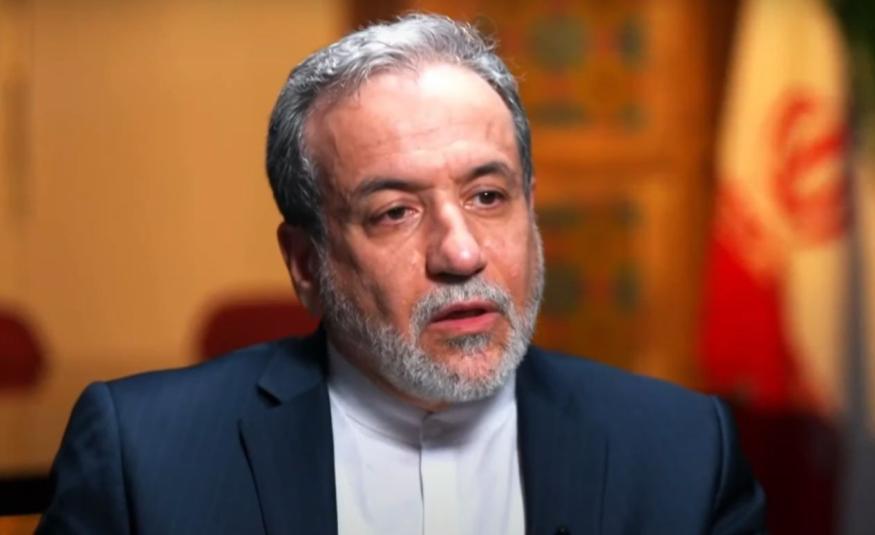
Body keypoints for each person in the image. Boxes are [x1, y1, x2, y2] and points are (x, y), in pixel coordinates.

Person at [38, 13, 765, 535]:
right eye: (394, 212)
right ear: (305, 263)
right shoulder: (145, 459)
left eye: (488, 196)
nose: (461, 253)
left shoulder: (681, 454)